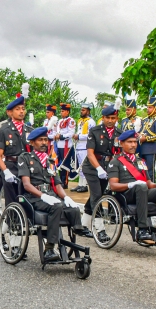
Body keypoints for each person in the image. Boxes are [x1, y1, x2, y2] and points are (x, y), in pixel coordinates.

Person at [17, 127, 93, 260]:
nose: (44, 143)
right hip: (34, 197)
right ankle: (49, 249)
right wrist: (43, 196)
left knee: (73, 208)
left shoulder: (50, 161)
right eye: (40, 140)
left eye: (45, 140)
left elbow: (57, 184)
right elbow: (26, 185)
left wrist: (66, 197)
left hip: (51, 195)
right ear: (32, 142)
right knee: (56, 206)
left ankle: (77, 228)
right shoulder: (25, 157)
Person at [107, 130, 156, 243]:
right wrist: (130, 184)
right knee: (141, 187)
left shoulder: (140, 161)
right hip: (126, 194)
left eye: (135, 142)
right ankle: (142, 229)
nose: (133, 145)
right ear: (121, 143)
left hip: (142, 192)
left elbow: (149, 184)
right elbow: (113, 186)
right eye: (130, 142)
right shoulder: (115, 161)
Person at [81, 105, 122, 241]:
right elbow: (90, 153)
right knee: (97, 196)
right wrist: (98, 168)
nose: (110, 120)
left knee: (96, 195)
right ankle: (100, 230)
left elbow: (119, 153)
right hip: (92, 167)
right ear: (103, 118)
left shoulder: (119, 133)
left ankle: (82, 225)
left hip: (108, 167)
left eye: (113, 118)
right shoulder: (95, 131)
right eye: (107, 118)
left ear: (117, 118)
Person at [0, 92, 33, 211]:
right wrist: (5, 171)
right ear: (10, 112)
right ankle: (9, 221)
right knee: (11, 202)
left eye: (23, 109)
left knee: (27, 200)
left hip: (26, 167)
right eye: (17, 109)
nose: (21, 111)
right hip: (11, 167)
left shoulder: (30, 130)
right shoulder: (4, 130)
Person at [139, 95, 156, 181]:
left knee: (150, 171)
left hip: (150, 149)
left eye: (150, 107)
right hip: (141, 149)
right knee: (141, 170)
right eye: (147, 107)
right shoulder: (144, 120)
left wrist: (146, 138)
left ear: (155, 109)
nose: (147, 109)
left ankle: (152, 187)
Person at [72, 103, 95, 192]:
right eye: (81, 110)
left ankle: (85, 185)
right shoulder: (80, 121)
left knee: (84, 166)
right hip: (79, 146)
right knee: (80, 167)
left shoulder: (91, 122)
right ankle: (80, 184)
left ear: (88, 111)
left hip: (85, 146)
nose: (81, 111)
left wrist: (79, 136)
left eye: (83, 110)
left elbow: (90, 135)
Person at [53, 103, 76, 188]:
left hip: (66, 145)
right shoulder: (60, 121)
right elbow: (57, 131)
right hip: (59, 145)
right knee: (59, 163)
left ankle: (65, 182)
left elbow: (71, 133)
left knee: (65, 164)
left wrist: (61, 136)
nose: (61, 113)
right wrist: (56, 135)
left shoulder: (71, 121)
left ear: (67, 112)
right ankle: (60, 180)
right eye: (61, 111)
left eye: (63, 111)